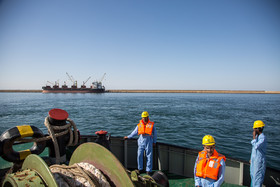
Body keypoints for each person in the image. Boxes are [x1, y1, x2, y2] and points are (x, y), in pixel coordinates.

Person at [124, 111, 157, 175]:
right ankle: (140, 169)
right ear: (142, 118)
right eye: (143, 117)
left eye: (145, 117)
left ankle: (148, 170)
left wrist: (154, 141)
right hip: (141, 141)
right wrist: (128, 137)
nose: (144, 118)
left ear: (148, 117)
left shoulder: (152, 125)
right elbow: (135, 132)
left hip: (149, 141)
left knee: (149, 156)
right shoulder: (139, 125)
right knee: (139, 155)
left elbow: (155, 134)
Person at [250, 120, 267, 187]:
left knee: (257, 178)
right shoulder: (257, 137)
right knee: (253, 176)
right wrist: (251, 159)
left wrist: (253, 138)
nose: (253, 130)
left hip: (259, 162)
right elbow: (254, 151)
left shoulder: (262, 138)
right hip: (254, 161)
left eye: (254, 128)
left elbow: (256, 146)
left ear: (258, 129)